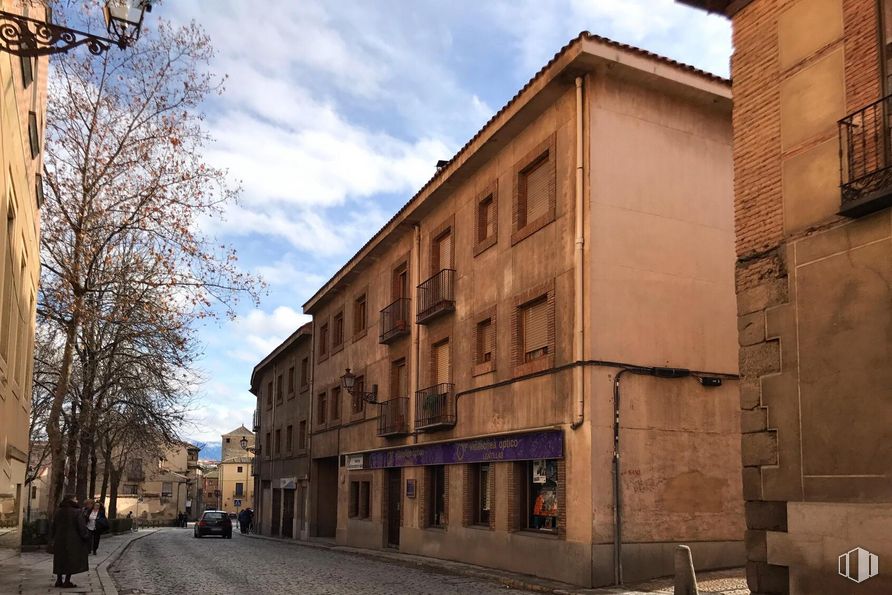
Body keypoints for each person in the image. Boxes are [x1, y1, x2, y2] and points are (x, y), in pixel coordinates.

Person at [51, 494, 90, 588]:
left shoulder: (58, 511)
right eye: (75, 499)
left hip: (60, 539)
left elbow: (53, 526)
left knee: (60, 559)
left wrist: (53, 537)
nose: (77, 501)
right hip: (73, 540)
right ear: (71, 500)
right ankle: (67, 581)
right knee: (71, 559)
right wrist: (85, 535)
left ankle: (59, 580)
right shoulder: (77, 512)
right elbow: (81, 526)